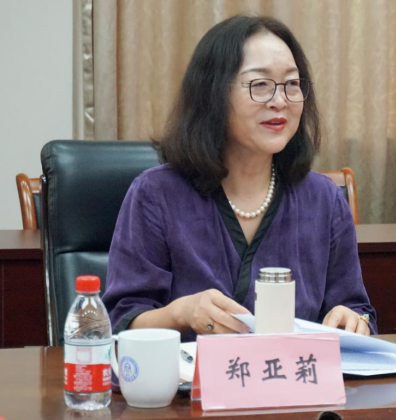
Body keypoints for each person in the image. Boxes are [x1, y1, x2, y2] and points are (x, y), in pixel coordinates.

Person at [104, 15, 377, 341]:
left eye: (292, 84)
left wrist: (354, 320)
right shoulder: (156, 194)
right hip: (186, 375)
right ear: (213, 93)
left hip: (294, 374)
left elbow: (356, 308)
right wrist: (181, 313)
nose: (280, 101)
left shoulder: (324, 199)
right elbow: (120, 323)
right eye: (260, 85)